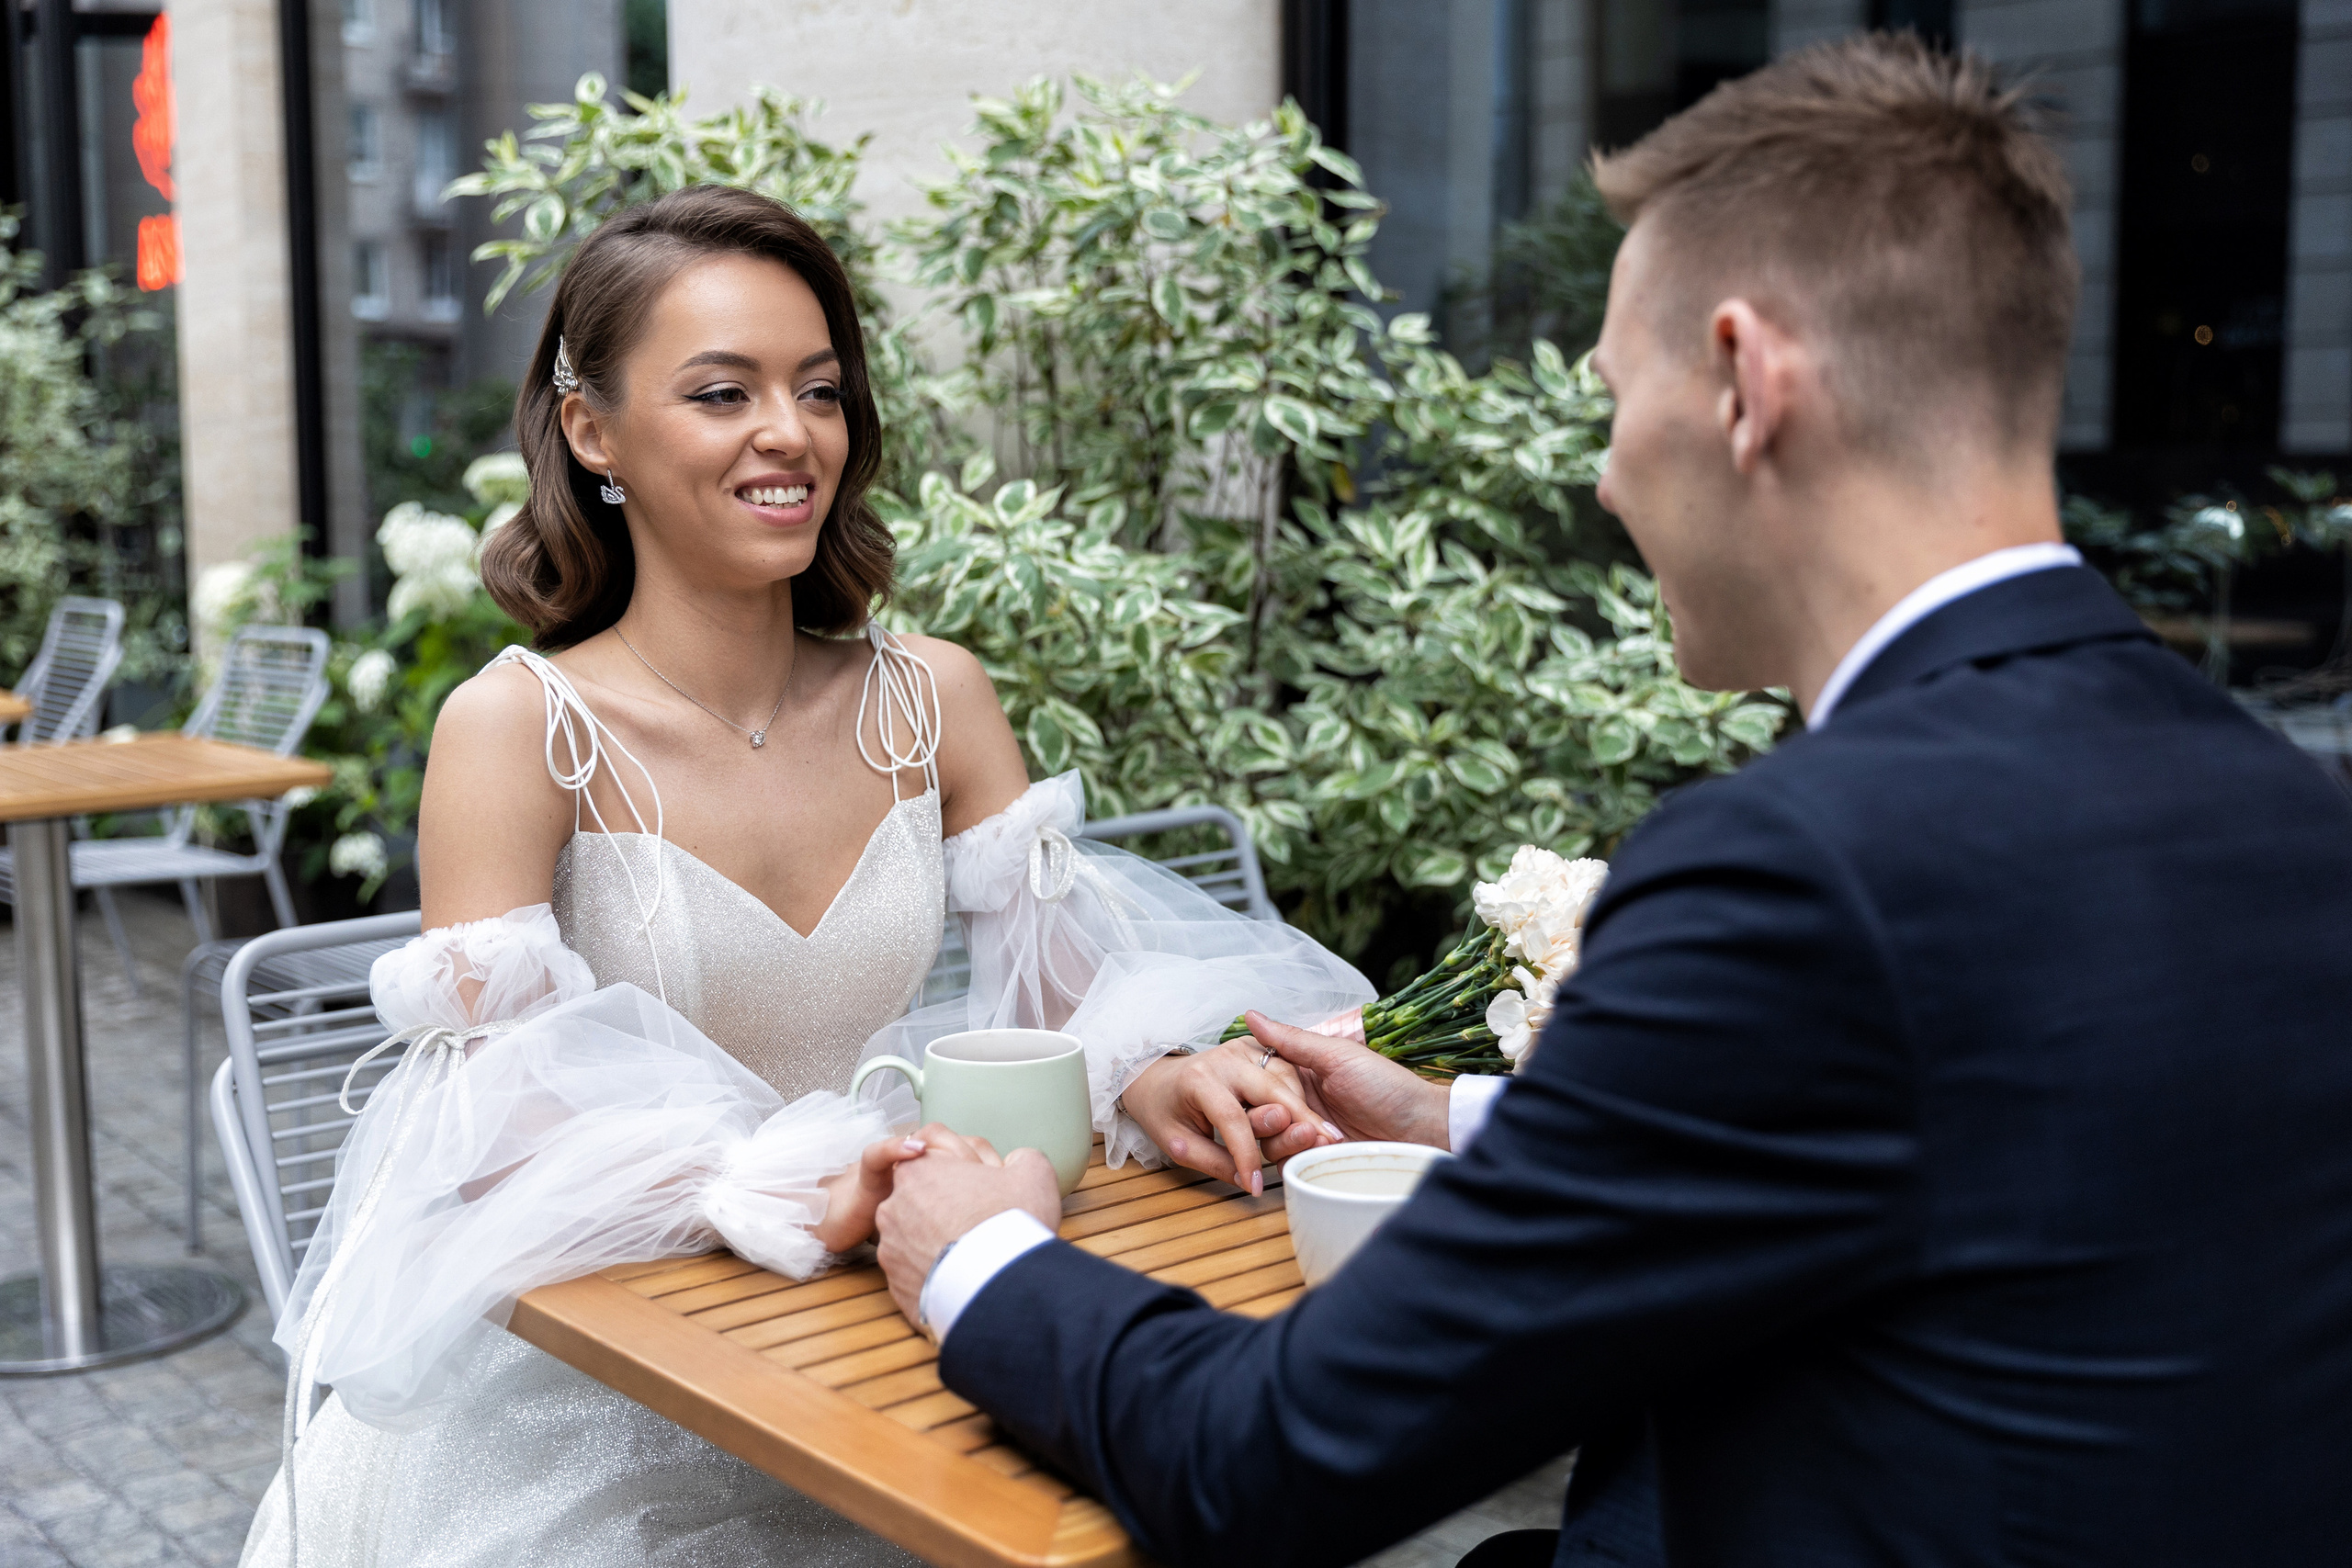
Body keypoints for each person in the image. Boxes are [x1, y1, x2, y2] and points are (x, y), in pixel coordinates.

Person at [867, 35, 2352, 1568]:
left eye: (1614, 396)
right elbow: (1998, 1143)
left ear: (1741, 381)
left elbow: (1272, 1458)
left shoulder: (1800, 869)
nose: (1604, 481)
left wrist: (982, 1257)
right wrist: (1466, 1118)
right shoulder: (2286, 813)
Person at [237, 185, 1370, 1567]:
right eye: (723, 393)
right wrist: (776, 1191)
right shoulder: (517, 728)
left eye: (818, 389)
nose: (790, 433)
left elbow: (1068, 1003)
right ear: (592, 430)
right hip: (615, 1375)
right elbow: (499, 1128)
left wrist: (1154, 1073)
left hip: (891, 1314)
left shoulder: (936, 696)